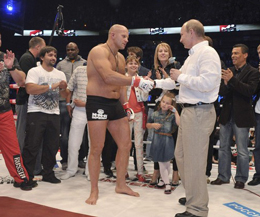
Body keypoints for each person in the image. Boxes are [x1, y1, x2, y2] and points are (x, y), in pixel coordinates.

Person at [154, 19, 221, 217]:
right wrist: (154, 83)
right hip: (190, 111)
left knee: (194, 162)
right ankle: (194, 195)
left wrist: (180, 77)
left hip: (199, 112)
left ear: (192, 32)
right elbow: (179, 83)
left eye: (182, 34)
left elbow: (208, 83)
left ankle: (198, 209)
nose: (180, 38)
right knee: (182, 157)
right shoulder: (193, 56)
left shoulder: (208, 53)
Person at [85, 24, 154, 205]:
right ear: (112, 35)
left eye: (127, 36)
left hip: (115, 103)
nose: (126, 40)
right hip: (98, 102)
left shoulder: (121, 57)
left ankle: (121, 185)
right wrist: (137, 80)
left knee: (125, 144)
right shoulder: (98, 51)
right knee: (97, 148)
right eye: (123, 36)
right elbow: (108, 77)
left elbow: (120, 84)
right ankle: (94, 190)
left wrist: (125, 105)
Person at [211, 44, 259, 190]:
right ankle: (223, 176)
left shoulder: (253, 72)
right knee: (223, 147)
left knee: (242, 150)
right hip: (227, 115)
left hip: (242, 116)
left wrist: (232, 80)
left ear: (245, 55)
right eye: (232, 53)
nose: (233, 56)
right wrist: (226, 83)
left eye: (236, 53)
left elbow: (249, 91)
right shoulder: (229, 71)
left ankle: (240, 179)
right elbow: (222, 92)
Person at [22, 46, 67, 186]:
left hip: (54, 113)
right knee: (32, 145)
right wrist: (51, 86)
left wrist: (64, 89)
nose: (53, 57)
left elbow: (65, 97)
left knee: (52, 146)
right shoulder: (34, 71)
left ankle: (48, 173)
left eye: (55, 55)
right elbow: (30, 89)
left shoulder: (60, 74)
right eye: (50, 55)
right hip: (36, 112)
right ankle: (27, 176)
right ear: (42, 57)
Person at [0, 44, 33, 190]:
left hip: (4, 111)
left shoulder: (5, 57)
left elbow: (21, 81)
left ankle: (21, 178)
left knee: (13, 148)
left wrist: (11, 67)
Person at [147, 42, 181, 186]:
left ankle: (175, 173)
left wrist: (166, 79)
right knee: (157, 139)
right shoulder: (153, 69)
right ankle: (156, 171)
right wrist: (154, 82)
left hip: (174, 104)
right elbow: (152, 92)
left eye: (165, 51)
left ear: (169, 53)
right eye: (160, 51)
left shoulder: (176, 66)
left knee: (175, 138)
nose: (162, 53)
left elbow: (178, 87)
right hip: (159, 105)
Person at [16, 36, 46, 175]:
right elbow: (27, 82)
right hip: (25, 100)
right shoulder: (27, 58)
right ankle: (21, 165)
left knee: (30, 133)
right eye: (44, 47)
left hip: (29, 100)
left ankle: (28, 164)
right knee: (22, 133)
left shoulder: (31, 59)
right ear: (38, 47)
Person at [56, 42, 87, 170]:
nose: (70, 51)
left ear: (78, 49)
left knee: (83, 134)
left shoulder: (85, 64)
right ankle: (64, 159)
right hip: (63, 100)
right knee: (65, 133)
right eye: (68, 49)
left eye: (72, 49)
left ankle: (80, 159)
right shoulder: (61, 65)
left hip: (80, 101)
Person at [146, 92, 180, 194]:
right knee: (161, 162)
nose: (164, 104)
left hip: (168, 140)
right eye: (163, 102)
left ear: (171, 104)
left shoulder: (172, 116)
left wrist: (176, 112)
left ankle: (162, 180)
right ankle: (167, 184)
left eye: (167, 103)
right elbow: (147, 124)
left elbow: (179, 123)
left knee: (166, 163)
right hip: (157, 140)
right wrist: (152, 125)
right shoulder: (154, 114)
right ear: (160, 102)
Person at [60, 65, 88, 180]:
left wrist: (86, 104)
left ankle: (91, 171)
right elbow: (69, 88)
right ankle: (71, 169)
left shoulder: (103, 71)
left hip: (96, 111)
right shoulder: (79, 70)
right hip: (79, 110)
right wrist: (68, 104)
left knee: (94, 145)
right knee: (73, 142)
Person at [126, 55, 149, 182]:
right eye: (131, 63)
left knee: (139, 144)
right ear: (126, 65)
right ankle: (124, 171)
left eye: (136, 63)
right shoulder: (122, 79)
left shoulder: (141, 79)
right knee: (125, 144)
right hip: (126, 114)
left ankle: (140, 172)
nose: (133, 65)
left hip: (139, 113)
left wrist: (145, 85)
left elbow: (145, 98)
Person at [247, 44, 260, 186]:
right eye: (258, 52)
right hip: (259, 111)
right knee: (258, 146)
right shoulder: (257, 70)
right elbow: (253, 91)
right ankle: (258, 174)